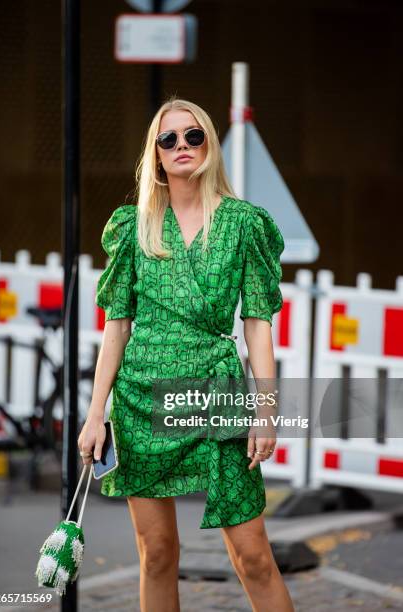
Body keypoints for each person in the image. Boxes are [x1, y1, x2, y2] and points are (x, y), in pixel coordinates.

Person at [78, 97, 294, 612]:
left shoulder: (244, 224)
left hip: (217, 396)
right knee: (156, 554)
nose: (181, 146)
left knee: (254, 556)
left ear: (210, 147)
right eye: (169, 138)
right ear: (155, 153)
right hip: (140, 401)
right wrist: (94, 414)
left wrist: (266, 409)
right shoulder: (134, 226)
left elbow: (258, 324)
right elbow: (117, 325)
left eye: (193, 136)